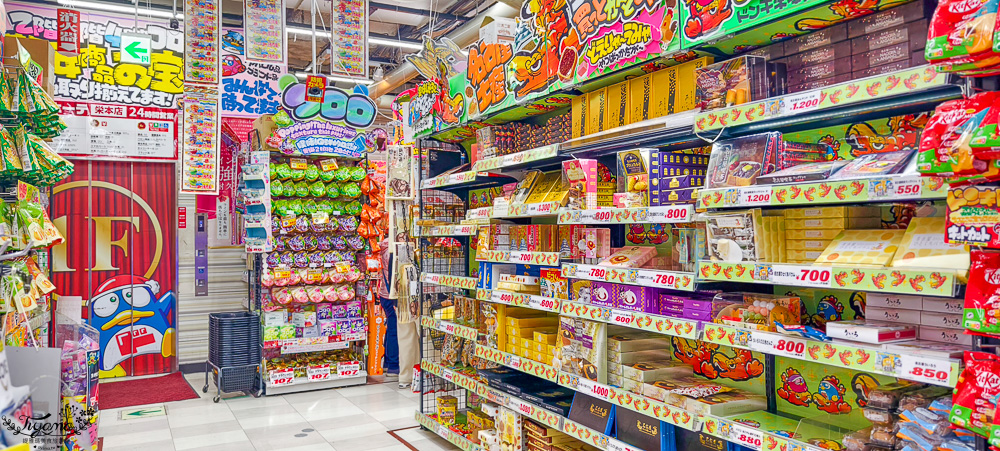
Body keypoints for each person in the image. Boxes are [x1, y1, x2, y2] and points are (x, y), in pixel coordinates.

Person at [378, 239, 399, 383]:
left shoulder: (384, 246)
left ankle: (387, 363)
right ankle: (393, 366)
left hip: (384, 293)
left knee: (391, 327)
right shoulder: (393, 249)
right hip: (392, 295)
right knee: (394, 329)